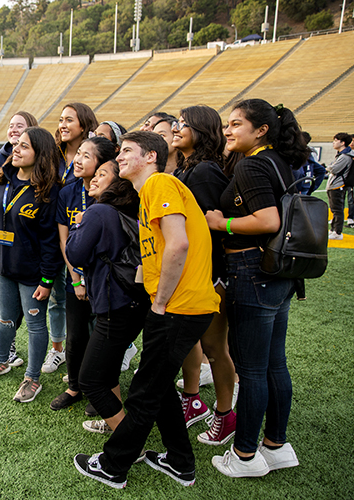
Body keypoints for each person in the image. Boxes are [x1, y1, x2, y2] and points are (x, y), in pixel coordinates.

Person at [74, 131, 219, 489]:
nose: (118, 156)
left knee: (143, 389)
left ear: (151, 156)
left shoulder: (158, 185)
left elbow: (178, 245)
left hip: (179, 307)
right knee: (157, 385)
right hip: (182, 305)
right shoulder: (148, 194)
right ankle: (180, 461)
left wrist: (159, 301)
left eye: (126, 151)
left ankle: (113, 465)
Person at [205, 99, 310, 477]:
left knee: (251, 370)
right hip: (278, 273)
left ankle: (245, 455)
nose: (228, 131)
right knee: (273, 365)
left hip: (252, 270)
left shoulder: (251, 163)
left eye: (235, 124)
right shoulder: (277, 162)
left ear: (261, 130)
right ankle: (276, 446)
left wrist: (222, 224)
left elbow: (268, 219)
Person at [0, 127, 63, 403]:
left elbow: (52, 242)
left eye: (24, 146)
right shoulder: (3, 180)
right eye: (17, 145)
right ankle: (1, 361)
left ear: (40, 154)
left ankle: (32, 378)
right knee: (4, 319)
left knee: (36, 327)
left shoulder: (49, 192)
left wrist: (47, 280)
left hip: (32, 274)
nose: (16, 148)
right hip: (3, 267)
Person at [171, 105, 237, 444]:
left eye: (185, 123)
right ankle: (193, 400)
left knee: (214, 347)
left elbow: (212, 230)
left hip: (209, 275)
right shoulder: (187, 168)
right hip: (191, 274)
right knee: (189, 342)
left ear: (202, 129)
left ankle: (225, 414)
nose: (178, 127)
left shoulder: (206, 172)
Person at [68, 158, 147, 434]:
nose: (95, 178)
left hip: (115, 304)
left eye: (102, 174)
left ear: (117, 183)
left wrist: (78, 226)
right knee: (110, 368)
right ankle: (114, 423)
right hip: (133, 300)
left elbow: (75, 253)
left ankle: (128, 440)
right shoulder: (128, 210)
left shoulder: (99, 211)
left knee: (90, 379)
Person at [50, 136, 117, 412]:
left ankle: (100, 389)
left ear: (102, 164)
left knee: (104, 337)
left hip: (106, 279)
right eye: (78, 153)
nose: (77, 159)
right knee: (76, 336)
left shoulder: (114, 193)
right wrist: (77, 278)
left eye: (86, 156)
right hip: (76, 279)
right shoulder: (67, 193)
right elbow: (65, 241)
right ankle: (75, 387)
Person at [0, 111, 38, 368]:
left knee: (21, 301)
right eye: (11, 126)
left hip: (25, 243)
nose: (13, 130)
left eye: (19, 126)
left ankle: (8, 342)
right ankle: (2, 348)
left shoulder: (39, 160)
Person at [44, 102, 98, 375]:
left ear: (84, 125)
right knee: (57, 298)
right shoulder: (54, 156)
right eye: (61, 119)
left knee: (86, 301)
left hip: (81, 237)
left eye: (69, 120)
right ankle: (58, 350)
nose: (62, 124)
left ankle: (91, 356)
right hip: (54, 234)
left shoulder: (95, 158)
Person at [325, 132, 352, 240]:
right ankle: (333, 230)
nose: (333, 143)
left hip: (337, 186)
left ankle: (337, 231)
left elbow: (334, 169)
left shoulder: (345, 156)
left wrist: (329, 167)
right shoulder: (340, 155)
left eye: (336, 140)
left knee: (337, 210)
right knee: (334, 209)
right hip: (334, 186)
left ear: (342, 143)